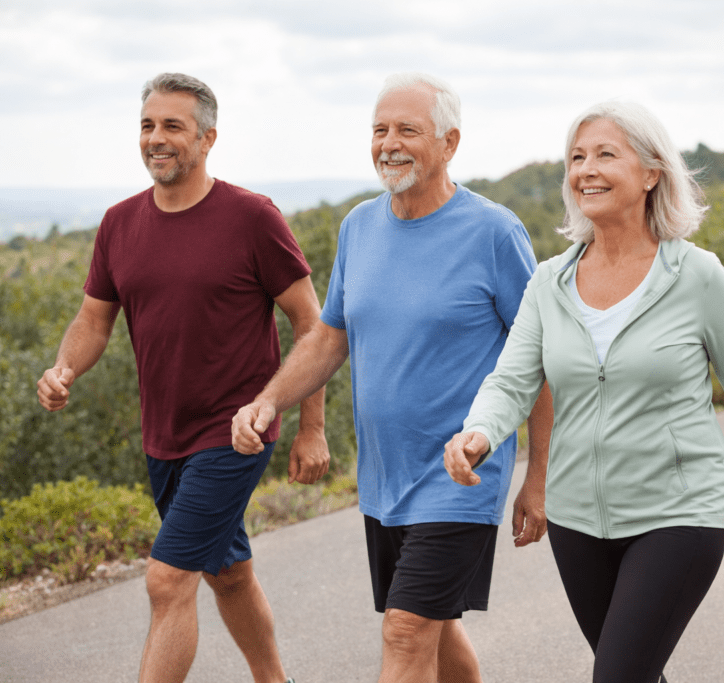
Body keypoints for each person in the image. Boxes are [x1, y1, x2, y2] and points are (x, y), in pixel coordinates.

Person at [231, 72, 553, 683]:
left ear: (450, 143)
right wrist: (268, 401)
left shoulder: (494, 232)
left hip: (461, 476)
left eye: (408, 129)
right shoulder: (359, 227)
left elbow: (537, 359)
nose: (389, 143)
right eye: (379, 130)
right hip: (384, 478)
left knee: (405, 631)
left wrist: (535, 479)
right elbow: (329, 336)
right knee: (435, 628)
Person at [444, 100, 724, 683]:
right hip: (577, 521)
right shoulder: (549, 282)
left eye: (605, 154)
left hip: (678, 512)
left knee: (617, 676)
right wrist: (480, 432)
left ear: (650, 173)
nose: (585, 168)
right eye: (577, 157)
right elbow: (512, 380)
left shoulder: (697, 276)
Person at [35, 73, 327, 683]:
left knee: (168, 580)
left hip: (236, 434)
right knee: (229, 573)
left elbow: (312, 326)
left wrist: (310, 429)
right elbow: (94, 319)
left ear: (208, 138)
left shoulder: (252, 217)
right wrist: (64, 368)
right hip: (163, 436)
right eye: (147, 125)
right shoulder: (118, 223)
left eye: (173, 126)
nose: (156, 139)